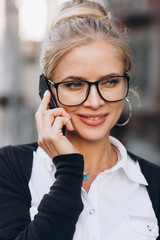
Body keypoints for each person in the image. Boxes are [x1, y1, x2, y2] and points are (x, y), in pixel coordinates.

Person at [0, 0, 160, 239]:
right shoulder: (9, 168)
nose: (94, 102)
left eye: (110, 82)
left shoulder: (153, 182)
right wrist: (69, 169)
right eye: (75, 84)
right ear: (47, 90)